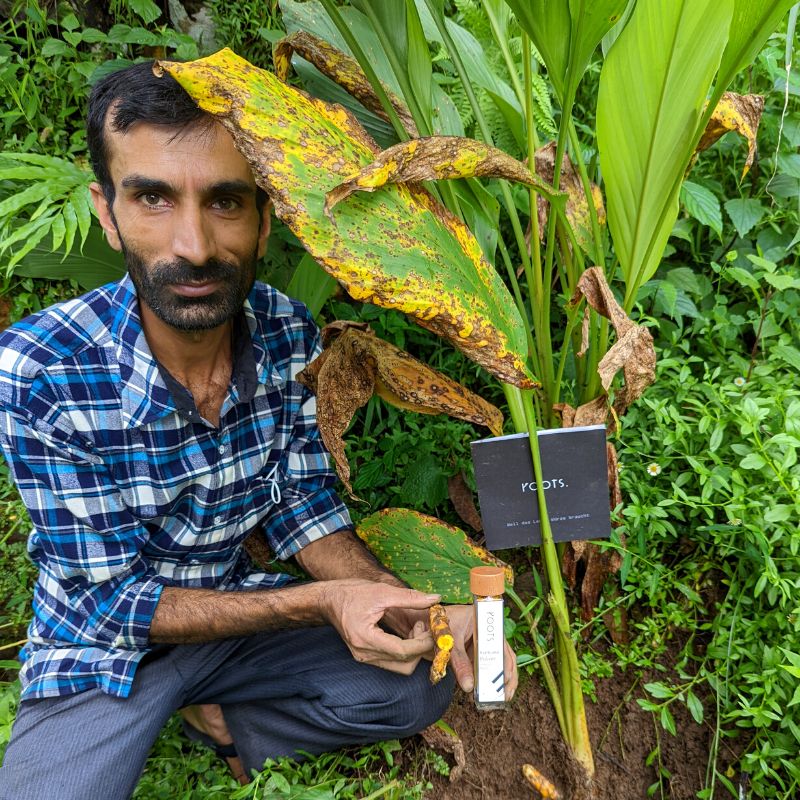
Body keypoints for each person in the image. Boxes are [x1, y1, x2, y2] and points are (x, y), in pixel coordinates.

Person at [0, 61, 517, 799]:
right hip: (106, 649)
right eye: (152, 198)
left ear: (265, 216)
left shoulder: (284, 330)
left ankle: (226, 719)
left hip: (239, 618)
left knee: (415, 685)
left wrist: (408, 607)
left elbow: (302, 506)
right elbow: (113, 602)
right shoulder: (39, 372)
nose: (196, 245)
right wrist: (318, 603)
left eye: (225, 202)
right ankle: (190, 709)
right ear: (107, 212)